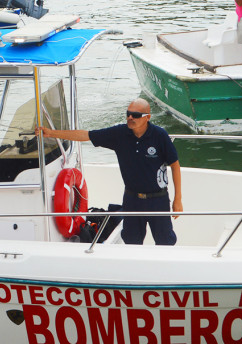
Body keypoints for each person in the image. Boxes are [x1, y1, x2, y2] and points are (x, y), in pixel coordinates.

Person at [36, 98, 183, 245]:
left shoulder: (160, 135)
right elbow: (86, 135)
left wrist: (177, 199)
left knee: (165, 242)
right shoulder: (119, 134)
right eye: (128, 114)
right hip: (132, 200)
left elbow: (175, 166)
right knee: (132, 242)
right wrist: (51, 133)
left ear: (148, 118)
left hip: (158, 200)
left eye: (136, 115)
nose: (130, 118)